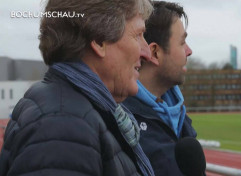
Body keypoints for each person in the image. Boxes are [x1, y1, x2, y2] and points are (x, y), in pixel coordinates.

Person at [0, 0, 155, 175]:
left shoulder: (76, 113)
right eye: (138, 35)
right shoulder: (61, 125)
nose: (147, 53)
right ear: (99, 40)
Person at [123, 1, 198, 175]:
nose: (189, 51)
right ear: (155, 53)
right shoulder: (122, 121)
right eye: (182, 42)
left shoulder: (180, 115)